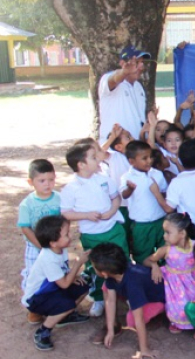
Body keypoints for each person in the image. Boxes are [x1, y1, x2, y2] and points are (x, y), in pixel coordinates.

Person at [61, 142, 128, 318]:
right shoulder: (71, 188)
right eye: (93, 157)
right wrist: (86, 215)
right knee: (95, 267)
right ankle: (99, 297)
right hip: (91, 235)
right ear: (81, 165)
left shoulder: (104, 179)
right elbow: (66, 213)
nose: (98, 158)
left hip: (113, 229)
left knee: (122, 260)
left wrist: (112, 211)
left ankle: (127, 293)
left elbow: (116, 198)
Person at [22, 216, 90, 351]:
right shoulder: (48, 258)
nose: (71, 235)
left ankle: (64, 317)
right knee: (68, 304)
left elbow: (63, 271)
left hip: (52, 289)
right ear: (53, 243)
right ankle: (43, 331)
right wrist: (79, 263)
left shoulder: (60, 249)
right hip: (36, 299)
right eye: (66, 234)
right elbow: (64, 285)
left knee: (83, 286)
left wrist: (72, 275)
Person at [90, 243, 165, 358]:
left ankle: (158, 312)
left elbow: (138, 318)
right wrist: (110, 330)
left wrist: (144, 349)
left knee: (132, 320)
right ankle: (119, 320)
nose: (93, 268)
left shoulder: (133, 283)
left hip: (158, 298)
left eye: (94, 267)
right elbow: (110, 301)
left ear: (104, 273)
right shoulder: (113, 275)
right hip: (137, 291)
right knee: (106, 288)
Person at [144, 212, 195, 333]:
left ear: (182, 233)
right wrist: (154, 266)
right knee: (179, 308)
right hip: (175, 285)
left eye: (168, 232)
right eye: (164, 232)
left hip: (193, 282)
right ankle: (176, 322)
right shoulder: (166, 250)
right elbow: (147, 260)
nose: (164, 236)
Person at [18, 159, 61, 302]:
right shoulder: (27, 204)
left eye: (51, 179)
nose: (47, 184)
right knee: (33, 272)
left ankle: (54, 300)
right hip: (35, 245)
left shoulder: (59, 199)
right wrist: (41, 246)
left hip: (56, 244)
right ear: (31, 182)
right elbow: (25, 228)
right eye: (41, 180)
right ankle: (31, 301)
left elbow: (63, 221)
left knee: (57, 270)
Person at [119, 141, 169, 264]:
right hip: (142, 224)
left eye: (150, 157)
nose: (149, 161)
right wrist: (130, 189)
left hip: (161, 221)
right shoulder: (126, 177)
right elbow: (124, 195)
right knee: (142, 254)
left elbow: (164, 192)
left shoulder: (157, 174)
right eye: (144, 158)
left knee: (165, 253)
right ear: (131, 161)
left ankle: (164, 278)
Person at [98, 46, 148, 143]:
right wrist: (124, 72)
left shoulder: (138, 87)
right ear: (122, 63)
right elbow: (114, 79)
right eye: (137, 63)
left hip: (135, 148)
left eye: (142, 62)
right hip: (114, 148)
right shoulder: (108, 78)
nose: (141, 66)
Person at [162, 139, 195, 234]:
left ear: (180, 158)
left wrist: (156, 192)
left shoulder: (176, 182)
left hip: (187, 230)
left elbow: (169, 208)